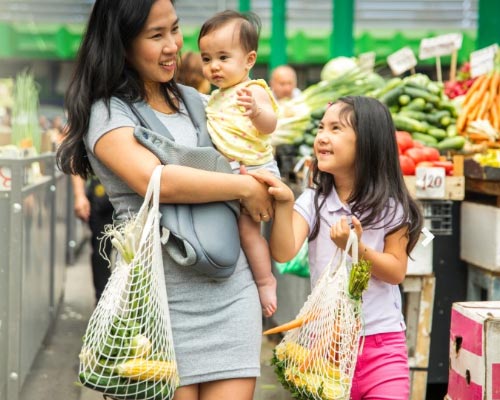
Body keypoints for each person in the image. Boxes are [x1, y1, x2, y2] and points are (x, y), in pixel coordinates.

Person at [55, 0, 274, 399]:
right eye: (156, 36)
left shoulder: (200, 103)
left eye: (174, 29)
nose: (173, 44)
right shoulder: (108, 113)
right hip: (155, 307)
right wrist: (242, 188)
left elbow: (256, 151)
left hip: (231, 294)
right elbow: (154, 180)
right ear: (121, 44)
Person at [250, 96, 424, 400]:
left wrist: (356, 248)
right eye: (320, 128)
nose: (322, 137)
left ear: (368, 142)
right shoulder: (314, 200)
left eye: (335, 128)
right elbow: (283, 251)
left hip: (381, 347)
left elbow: (396, 271)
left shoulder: (392, 207)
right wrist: (286, 202)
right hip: (324, 349)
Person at [198, 10, 279, 318]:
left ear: (249, 60)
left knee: (249, 232)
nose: (214, 66)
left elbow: (270, 125)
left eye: (223, 57)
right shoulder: (215, 96)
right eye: (207, 59)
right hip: (231, 173)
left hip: (256, 170)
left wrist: (256, 111)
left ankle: (265, 280)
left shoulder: (253, 90)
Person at [71, 174, 114, 303]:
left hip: (134, 194)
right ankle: (103, 305)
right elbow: (76, 156)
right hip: (101, 194)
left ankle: (137, 307)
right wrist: (79, 195)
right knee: (101, 253)